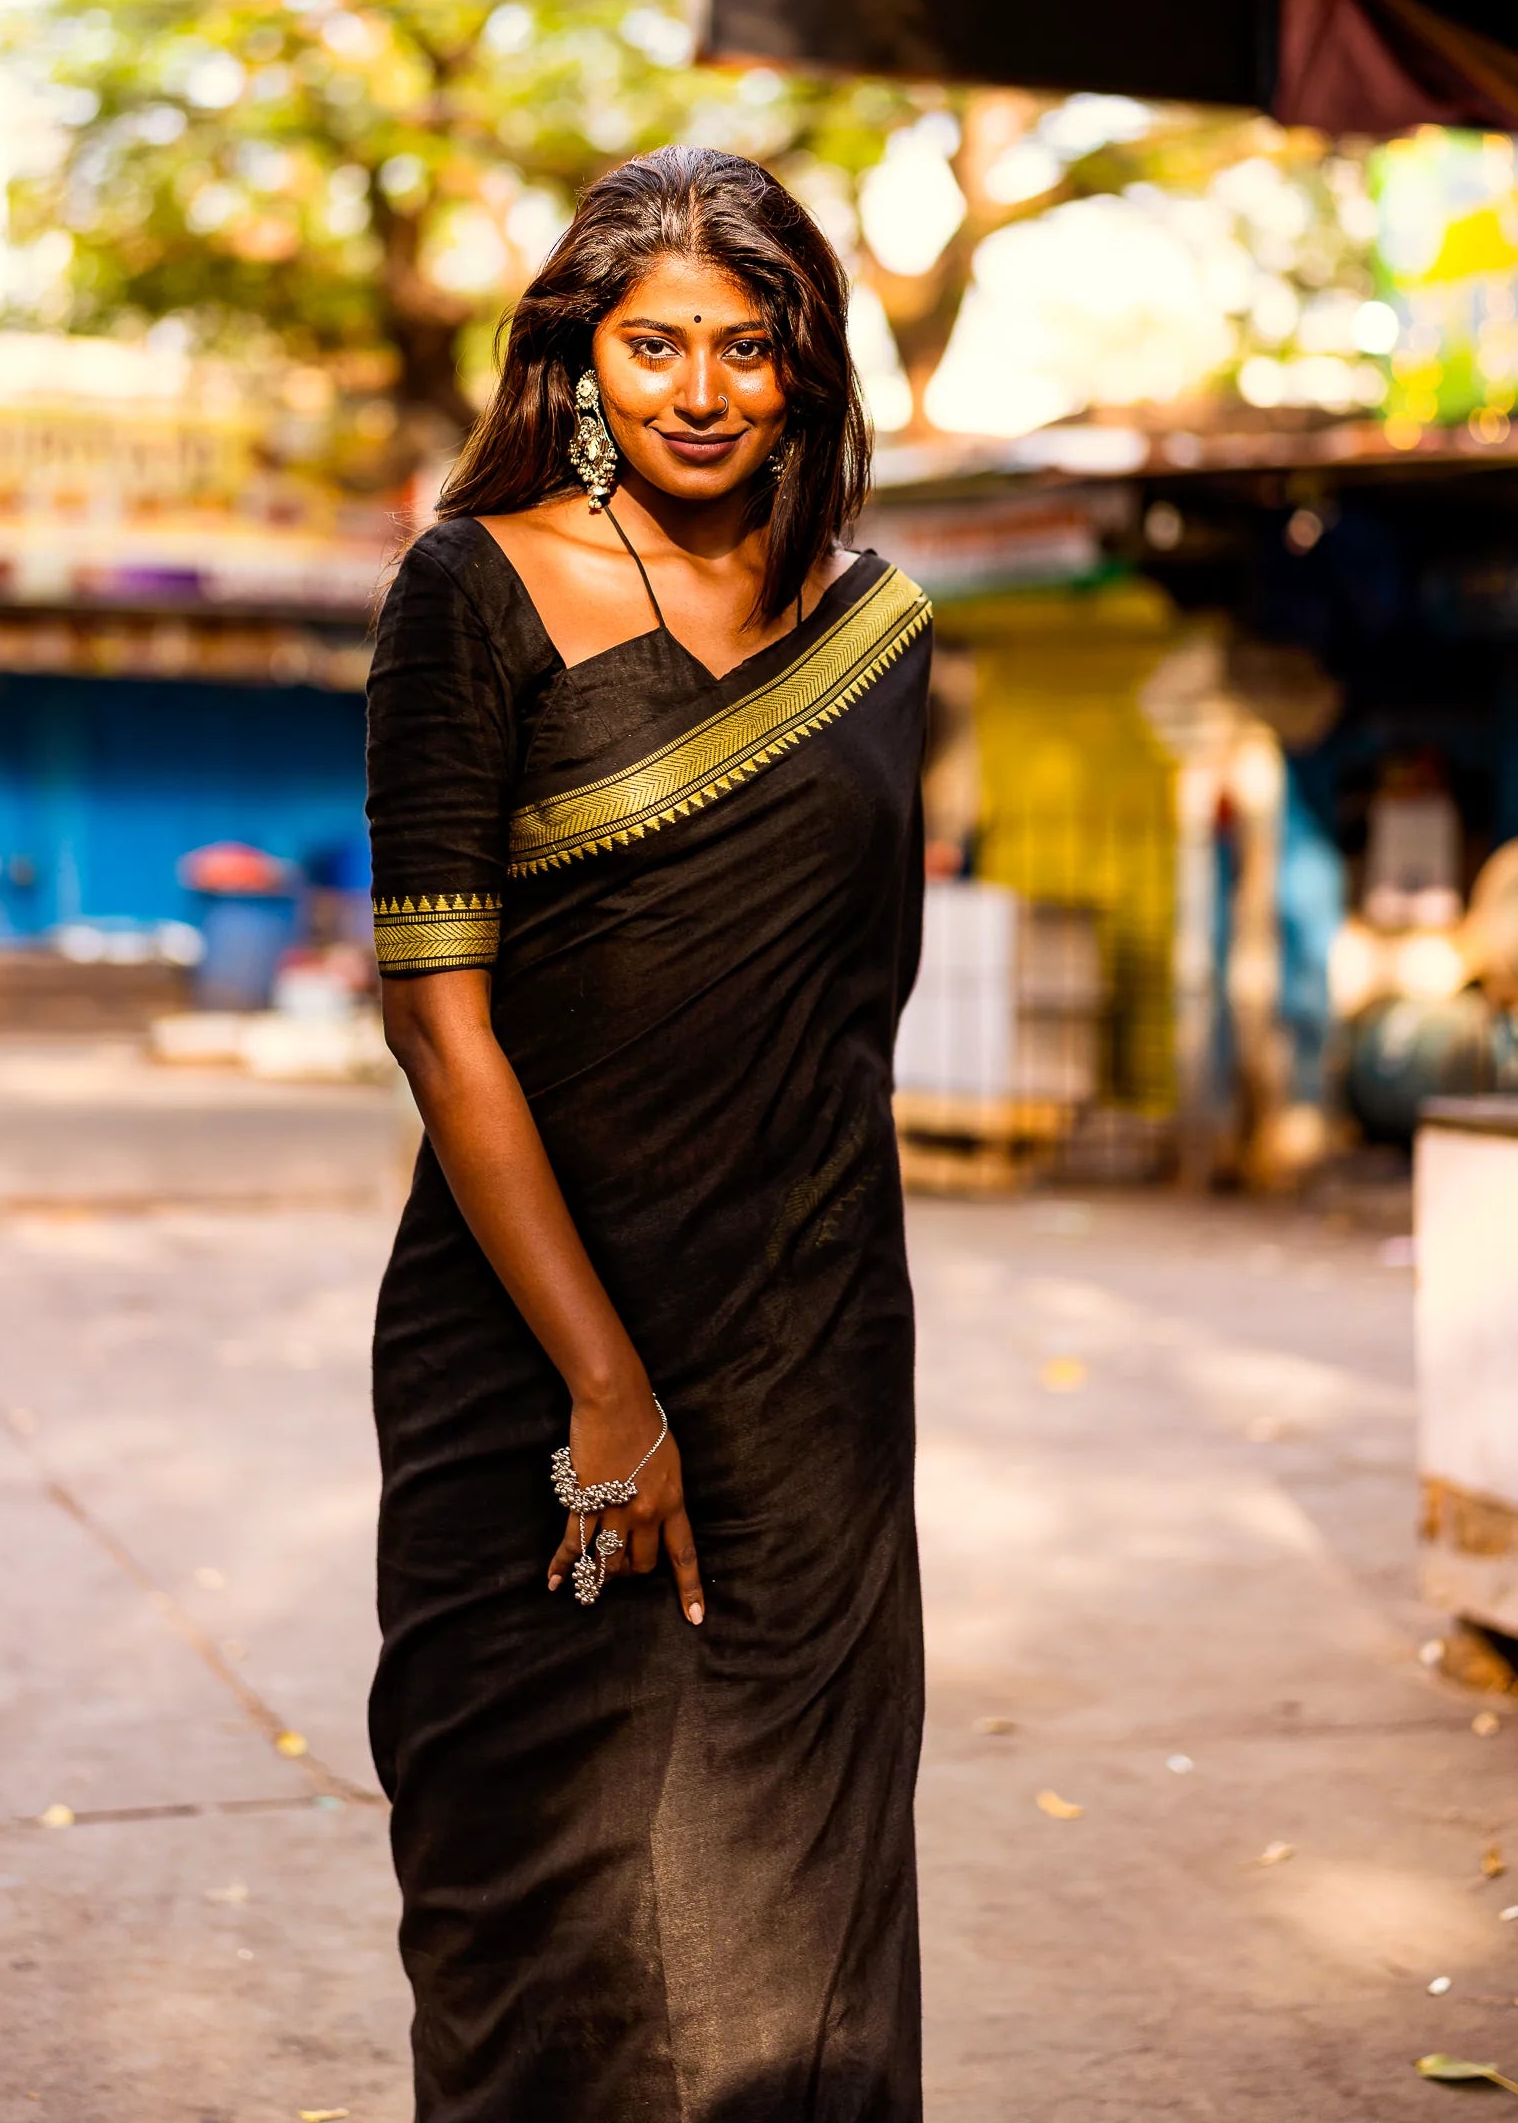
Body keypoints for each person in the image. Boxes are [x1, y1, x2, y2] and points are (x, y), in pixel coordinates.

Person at [365, 144, 932, 2122]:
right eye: (654, 340)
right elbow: (438, 1012)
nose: (700, 386)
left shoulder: (879, 628)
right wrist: (604, 1384)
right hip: (530, 1341)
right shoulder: (478, 584)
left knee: (801, 1877)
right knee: (543, 1875)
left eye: (747, 345)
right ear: (580, 357)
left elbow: (860, 998)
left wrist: (780, 1318)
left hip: (809, 1350)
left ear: (805, 369)